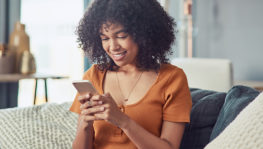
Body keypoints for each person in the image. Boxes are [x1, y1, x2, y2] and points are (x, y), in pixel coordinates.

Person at [70, 0, 192, 148]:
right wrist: (85, 124)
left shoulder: (172, 79)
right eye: (105, 38)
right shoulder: (93, 76)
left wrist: (122, 120)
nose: (113, 47)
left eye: (121, 36)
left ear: (143, 34)